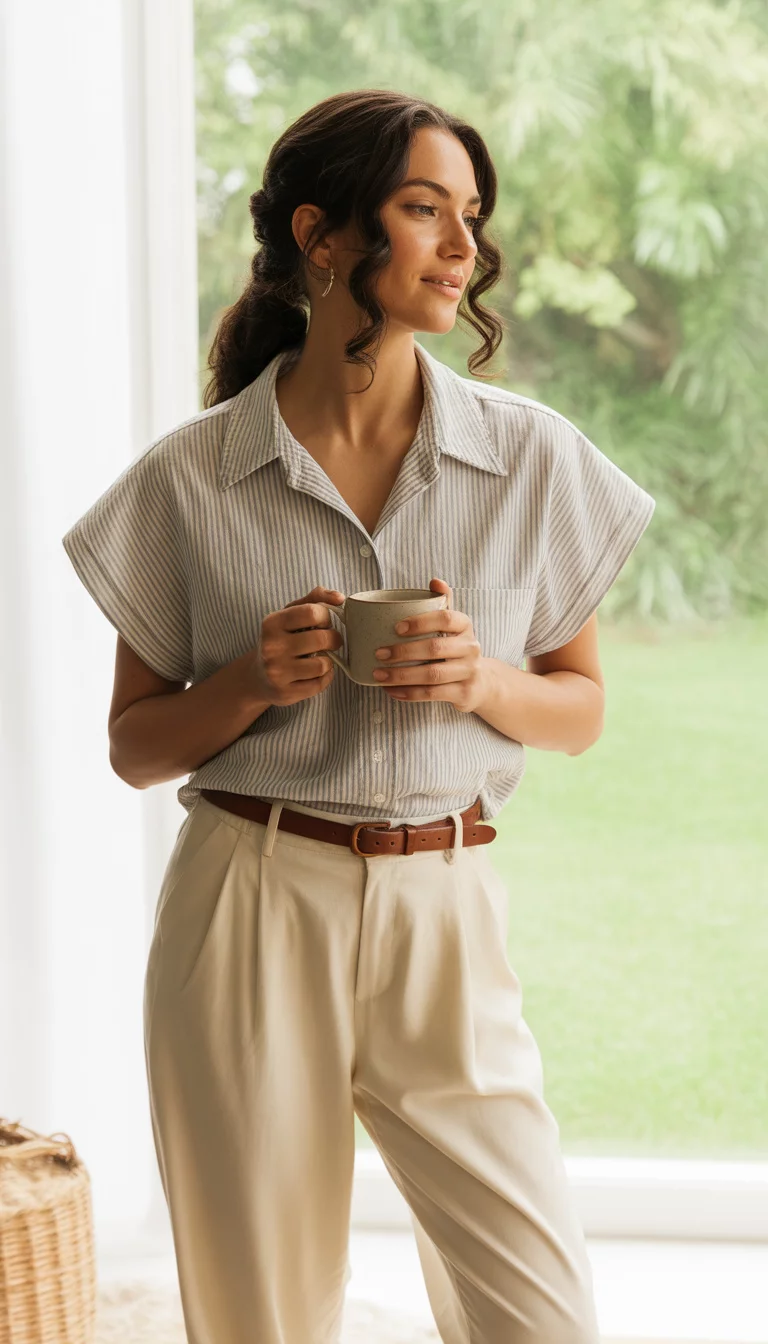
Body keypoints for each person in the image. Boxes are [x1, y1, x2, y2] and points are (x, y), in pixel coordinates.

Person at [61, 89, 655, 1344]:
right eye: (425, 210)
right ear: (323, 235)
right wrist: (247, 683)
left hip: (447, 907)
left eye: (471, 216)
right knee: (261, 1319)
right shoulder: (190, 478)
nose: (464, 247)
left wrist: (479, 679)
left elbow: (582, 710)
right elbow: (132, 747)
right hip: (250, 905)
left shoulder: (532, 457)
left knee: (540, 1316)